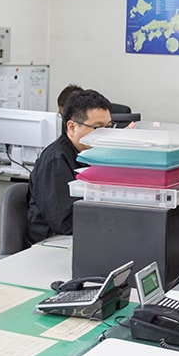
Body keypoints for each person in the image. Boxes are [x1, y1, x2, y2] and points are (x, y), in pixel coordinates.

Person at [26, 89, 113, 243]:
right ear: (72, 127)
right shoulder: (56, 160)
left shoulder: (91, 154)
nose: (105, 135)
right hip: (54, 242)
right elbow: (64, 222)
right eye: (98, 128)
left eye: (109, 127)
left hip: (85, 233)